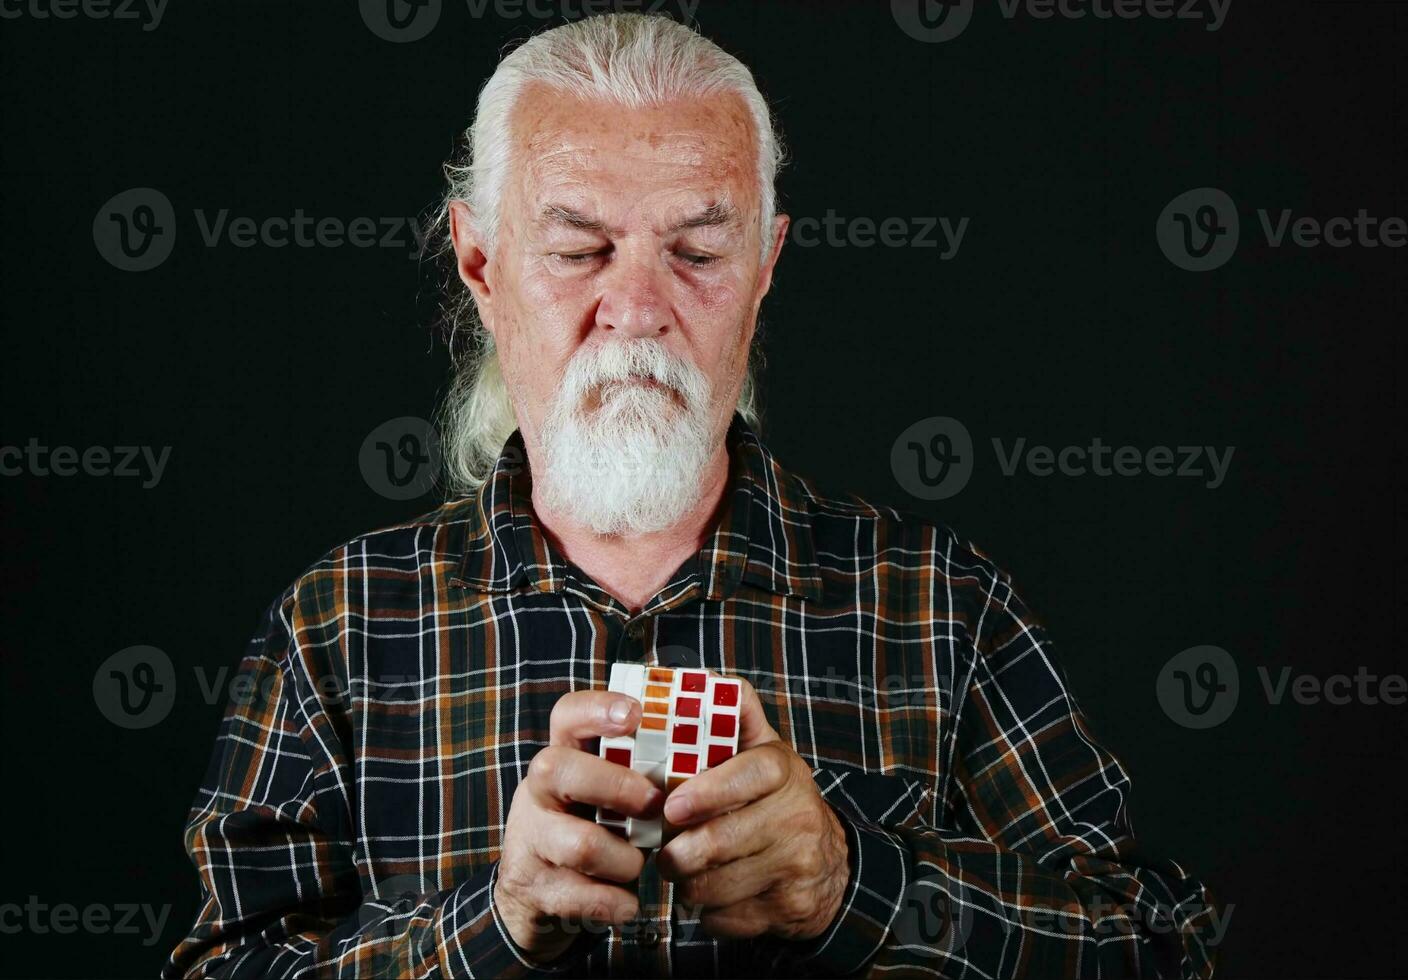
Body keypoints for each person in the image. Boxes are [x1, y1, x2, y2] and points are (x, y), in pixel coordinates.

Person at [164, 13, 1219, 977]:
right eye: (579, 248)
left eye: (697, 250)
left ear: (764, 265)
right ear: (481, 265)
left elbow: (1160, 951)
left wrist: (856, 883)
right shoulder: (337, 627)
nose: (635, 307)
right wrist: (489, 924)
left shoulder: (942, 607)